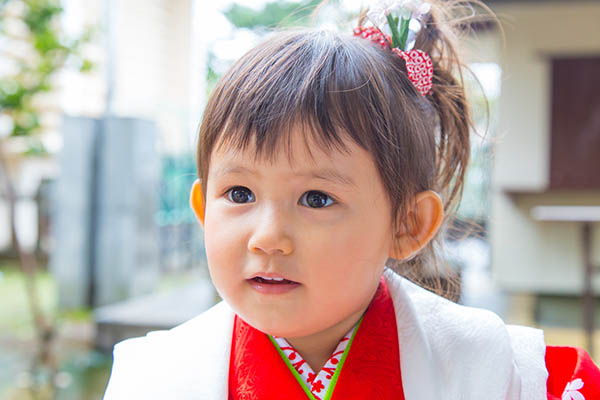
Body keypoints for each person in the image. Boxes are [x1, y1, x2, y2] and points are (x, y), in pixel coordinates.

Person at [103, 0, 600, 399]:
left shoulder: (506, 374)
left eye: (316, 198)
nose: (268, 236)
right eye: (239, 193)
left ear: (408, 224)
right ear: (203, 211)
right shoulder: (154, 377)